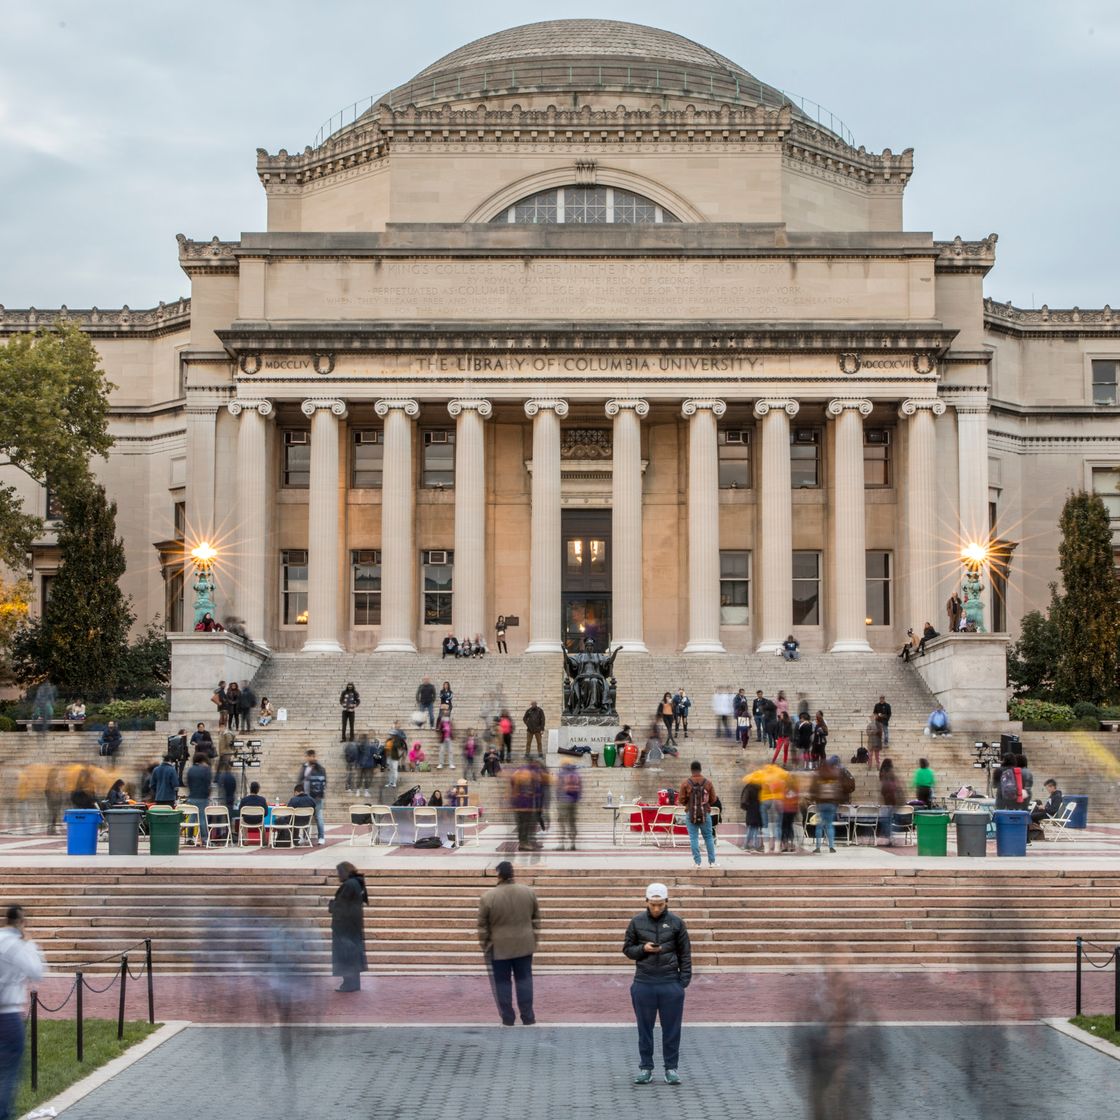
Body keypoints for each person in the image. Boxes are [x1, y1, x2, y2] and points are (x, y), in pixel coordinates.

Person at [623, 882, 691, 1086]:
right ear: (646, 902)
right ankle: (646, 1068)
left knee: (672, 1029)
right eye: (653, 904)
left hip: (670, 983)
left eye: (660, 904)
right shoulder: (636, 922)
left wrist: (682, 983)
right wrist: (643, 948)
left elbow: (685, 954)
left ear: (666, 902)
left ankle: (671, 1068)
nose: (656, 908)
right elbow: (627, 949)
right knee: (645, 1029)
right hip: (644, 982)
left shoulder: (677, 923)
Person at [477, 861, 540, 1026]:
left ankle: (507, 1017)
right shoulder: (528, 892)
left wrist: (485, 945)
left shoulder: (488, 897)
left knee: (502, 983)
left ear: (498, 875)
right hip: (524, 945)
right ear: (513, 873)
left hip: (500, 948)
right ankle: (528, 1016)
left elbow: (483, 927)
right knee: (524, 980)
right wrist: (534, 939)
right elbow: (536, 920)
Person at [0, 905, 45, 1120]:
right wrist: (30, 944)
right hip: (7, 1014)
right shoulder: (16, 945)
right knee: (8, 1072)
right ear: (20, 922)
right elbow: (36, 971)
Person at [329, 862, 368, 992]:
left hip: (345, 928)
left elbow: (341, 907)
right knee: (352, 954)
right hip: (353, 926)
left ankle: (349, 984)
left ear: (344, 872)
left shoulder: (349, 885)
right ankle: (353, 983)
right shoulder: (357, 883)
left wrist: (331, 905)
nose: (338, 876)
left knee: (346, 955)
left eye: (339, 873)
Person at [679, 761, 718, 869]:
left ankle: (697, 862)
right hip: (705, 813)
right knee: (708, 838)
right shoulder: (708, 782)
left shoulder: (686, 783)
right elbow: (713, 799)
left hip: (690, 813)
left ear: (691, 770)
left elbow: (681, 799)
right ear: (700, 769)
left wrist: (689, 803)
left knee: (693, 838)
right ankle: (712, 862)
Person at [810, 756, 846, 853]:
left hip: (821, 803)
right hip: (831, 803)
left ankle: (818, 847)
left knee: (819, 825)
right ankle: (831, 847)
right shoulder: (834, 774)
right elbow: (839, 789)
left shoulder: (819, 774)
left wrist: (814, 798)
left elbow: (813, 789)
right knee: (829, 825)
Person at [297, 749, 328, 845]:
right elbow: (300, 779)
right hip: (306, 796)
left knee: (318, 817)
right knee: (305, 816)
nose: (311, 758)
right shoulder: (304, 767)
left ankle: (321, 837)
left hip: (316, 797)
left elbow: (324, 781)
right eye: (309, 756)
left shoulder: (320, 768)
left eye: (312, 756)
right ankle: (305, 837)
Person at [185, 753, 213, 846]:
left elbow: (187, 782)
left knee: (192, 817)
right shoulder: (206, 770)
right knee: (202, 819)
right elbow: (208, 784)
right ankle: (204, 839)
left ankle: (189, 837)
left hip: (192, 796)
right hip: (202, 797)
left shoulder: (190, 770)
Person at [556, 762, 582, 850]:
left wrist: (558, 798)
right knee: (572, 823)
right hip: (573, 802)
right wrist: (577, 799)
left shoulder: (561, 774)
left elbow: (558, 787)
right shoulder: (577, 774)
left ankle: (562, 844)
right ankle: (572, 843)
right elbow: (580, 789)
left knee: (562, 823)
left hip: (563, 801)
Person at [879, 759, 902, 844]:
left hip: (885, 797)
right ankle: (890, 836)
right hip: (892, 797)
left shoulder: (882, 772)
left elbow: (882, 783)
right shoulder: (891, 773)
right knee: (890, 818)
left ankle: (887, 836)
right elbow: (896, 785)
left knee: (887, 818)